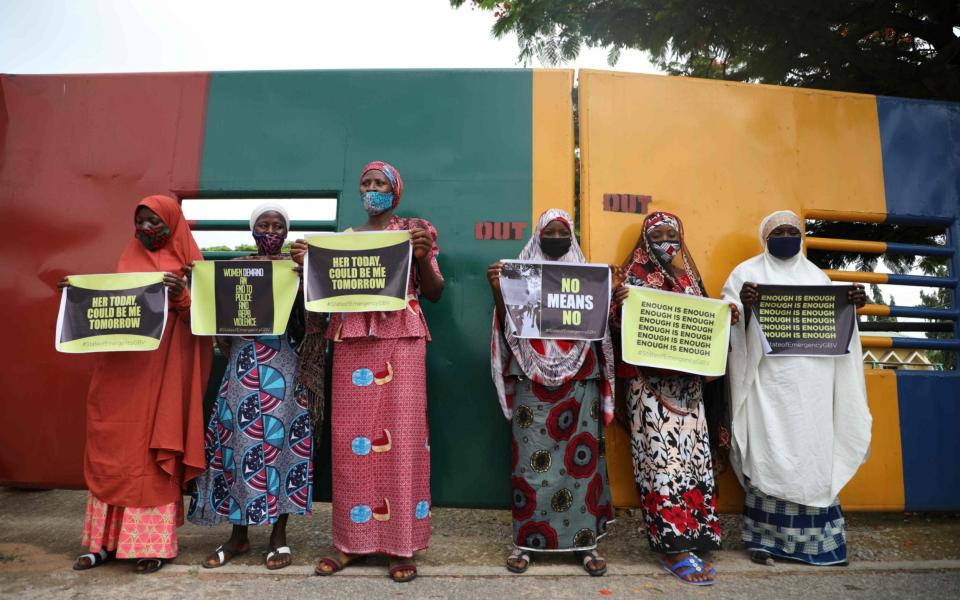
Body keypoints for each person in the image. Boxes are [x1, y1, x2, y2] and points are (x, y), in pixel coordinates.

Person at [291, 161, 443, 583]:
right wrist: (307, 265)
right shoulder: (343, 242)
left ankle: (402, 545)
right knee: (350, 443)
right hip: (353, 340)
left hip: (403, 338)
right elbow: (319, 300)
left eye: (380, 183)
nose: (372, 189)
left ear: (395, 191)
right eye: (366, 183)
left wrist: (425, 256)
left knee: (404, 441)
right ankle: (349, 544)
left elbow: (433, 291)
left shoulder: (416, 231)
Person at [64, 195, 211, 574]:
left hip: (164, 378)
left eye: (155, 222)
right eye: (140, 221)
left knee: (151, 454)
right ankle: (101, 544)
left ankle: (151, 546)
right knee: (112, 448)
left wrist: (182, 296)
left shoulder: (193, 264)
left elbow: (206, 321)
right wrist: (77, 296)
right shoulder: (126, 261)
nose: (146, 229)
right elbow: (110, 312)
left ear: (174, 223)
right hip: (120, 377)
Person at [720, 210, 871, 566]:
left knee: (812, 457)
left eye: (791, 230)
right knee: (767, 452)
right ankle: (764, 541)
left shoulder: (816, 276)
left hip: (812, 389)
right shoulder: (746, 273)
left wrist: (852, 307)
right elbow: (726, 320)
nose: (786, 235)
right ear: (765, 238)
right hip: (766, 386)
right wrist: (743, 303)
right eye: (778, 231)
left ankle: (820, 544)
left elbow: (837, 327)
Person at [610, 211, 739, 586]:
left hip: (689, 392)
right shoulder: (628, 279)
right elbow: (612, 326)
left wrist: (724, 318)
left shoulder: (689, 282)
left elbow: (704, 327)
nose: (667, 240)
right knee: (661, 467)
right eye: (659, 234)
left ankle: (695, 541)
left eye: (672, 234)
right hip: (649, 390)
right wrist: (618, 302)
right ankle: (673, 547)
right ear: (645, 239)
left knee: (693, 466)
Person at [190, 203, 321, 570]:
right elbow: (217, 327)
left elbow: (311, 320)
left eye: (277, 225)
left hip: (284, 367)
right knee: (237, 445)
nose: (270, 230)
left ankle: (278, 536)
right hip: (242, 367)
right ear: (252, 230)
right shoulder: (233, 271)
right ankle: (239, 535)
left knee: (284, 447)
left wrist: (305, 275)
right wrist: (201, 287)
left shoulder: (295, 269)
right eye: (263, 224)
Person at [487, 209, 616, 576]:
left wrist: (611, 291)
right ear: (537, 235)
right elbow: (510, 324)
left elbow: (600, 328)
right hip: (532, 380)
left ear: (572, 237)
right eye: (550, 231)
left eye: (563, 232)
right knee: (529, 466)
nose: (556, 236)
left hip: (581, 382)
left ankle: (585, 545)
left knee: (583, 466)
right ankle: (527, 543)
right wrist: (498, 290)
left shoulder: (587, 277)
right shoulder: (520, 274)